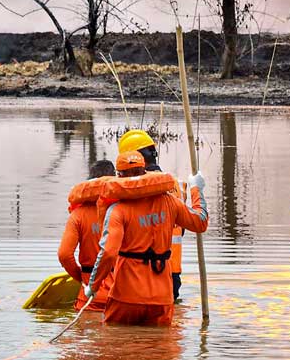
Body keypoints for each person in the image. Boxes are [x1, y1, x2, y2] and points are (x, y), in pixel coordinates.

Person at [85, 148, 209, 326]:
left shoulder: (117, 210)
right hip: (162, 299)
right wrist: (197, 189)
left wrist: (93, 286)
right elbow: (200, 222)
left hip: (126, 298)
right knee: (160, 349)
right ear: (145, 171)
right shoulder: (169, 202)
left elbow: (108, 253)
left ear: (119, 176)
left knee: (114, 346)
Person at [120, 129, 189, 302]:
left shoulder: (138, 187)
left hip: (144, 268)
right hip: (172, 267)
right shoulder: (176, 185)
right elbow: (184, 226)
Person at [58, 159, 116, 311]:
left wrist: (83, 278)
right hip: (121, 296)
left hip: (89, 297)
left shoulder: (78, 215)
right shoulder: (123, 211)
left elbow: (64, 255)